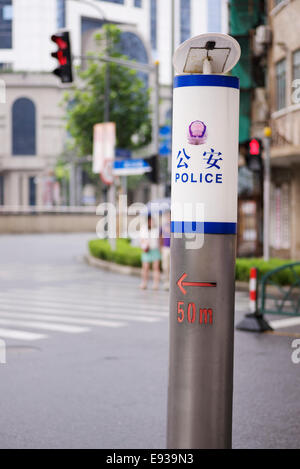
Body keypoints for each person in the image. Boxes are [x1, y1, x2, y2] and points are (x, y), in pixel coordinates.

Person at [140, 215, 161, 290]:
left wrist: (160, 249)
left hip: (155, 249)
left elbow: (159, 240)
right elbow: (141, 240)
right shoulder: (144, 228)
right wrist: (145, 243)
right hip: (146, 250)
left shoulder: (156, 229)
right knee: (145, 267)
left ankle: (156, 284)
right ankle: (144, 283)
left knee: (156, 267)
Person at [161, 212, 171, 290]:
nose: (168, 217)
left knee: (171, 266)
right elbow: (160, 236)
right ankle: (166, 282)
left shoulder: (174, 225)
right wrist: (160, 247)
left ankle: (171, 282)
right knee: (165, 266)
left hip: (172, 249)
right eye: (167, 216)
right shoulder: (163, 226)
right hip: (165, 248)